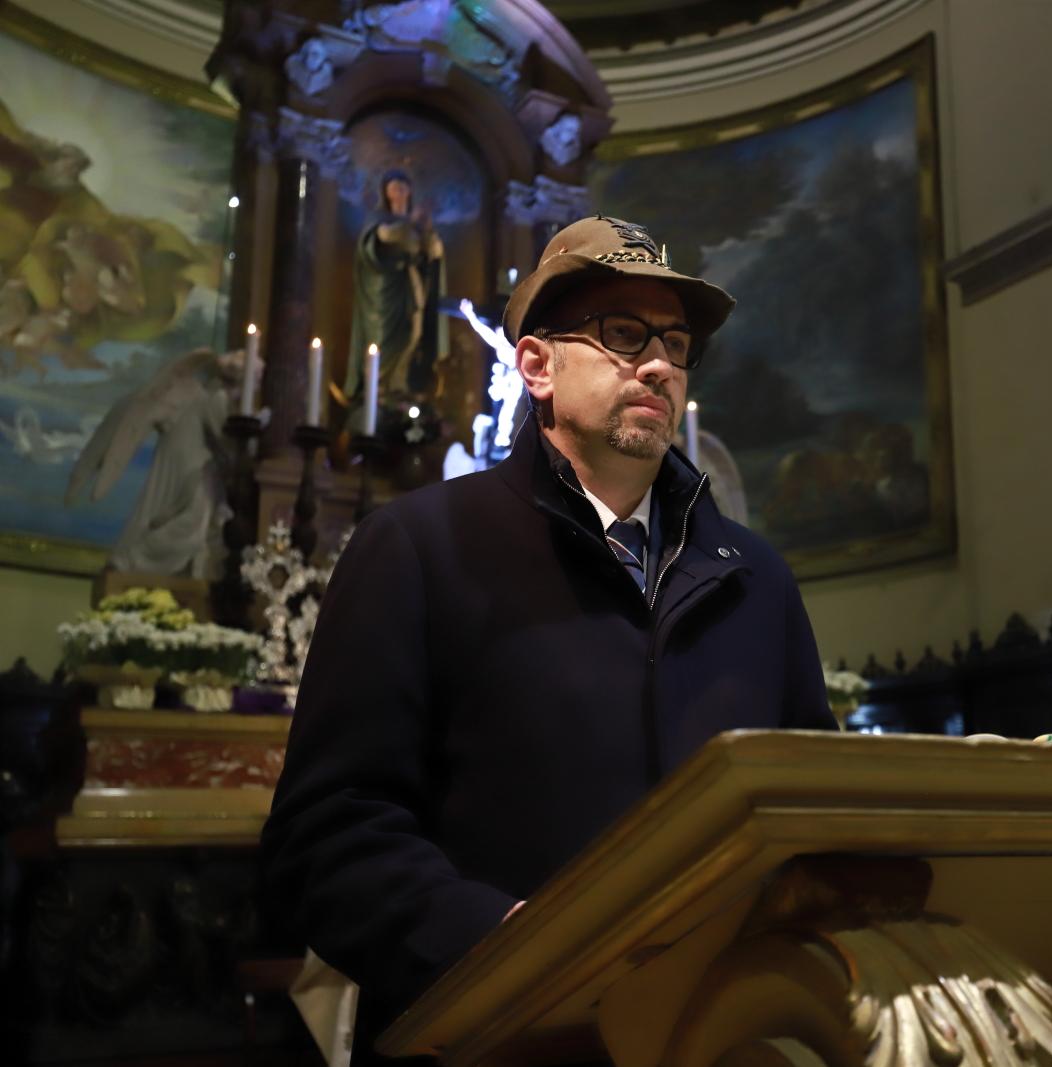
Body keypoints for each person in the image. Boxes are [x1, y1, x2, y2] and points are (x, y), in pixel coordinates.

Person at [261, 215, 835, 1062]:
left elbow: (808, 819)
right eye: (624, 333)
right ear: (535, 365)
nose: (658, 365)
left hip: (716, 1036)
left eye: (676, 345)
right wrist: (505, 946)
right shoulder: (418, 547)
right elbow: (328, 836)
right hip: (495, 1038)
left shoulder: (757, 579)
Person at [343, 169, 446, 410]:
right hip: (384, 292)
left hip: (412, 286)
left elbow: (434, 252)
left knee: (413, 333)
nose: (399, 190)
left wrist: (428, 232)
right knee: (384, 338)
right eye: (393, 186)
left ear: (410, 191)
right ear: (386, 192)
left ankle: (399, 387)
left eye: (403, 185)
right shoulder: (378, 218)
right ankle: (377, 390)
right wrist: (410, 223)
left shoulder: (418, 223)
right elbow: (382, 238)